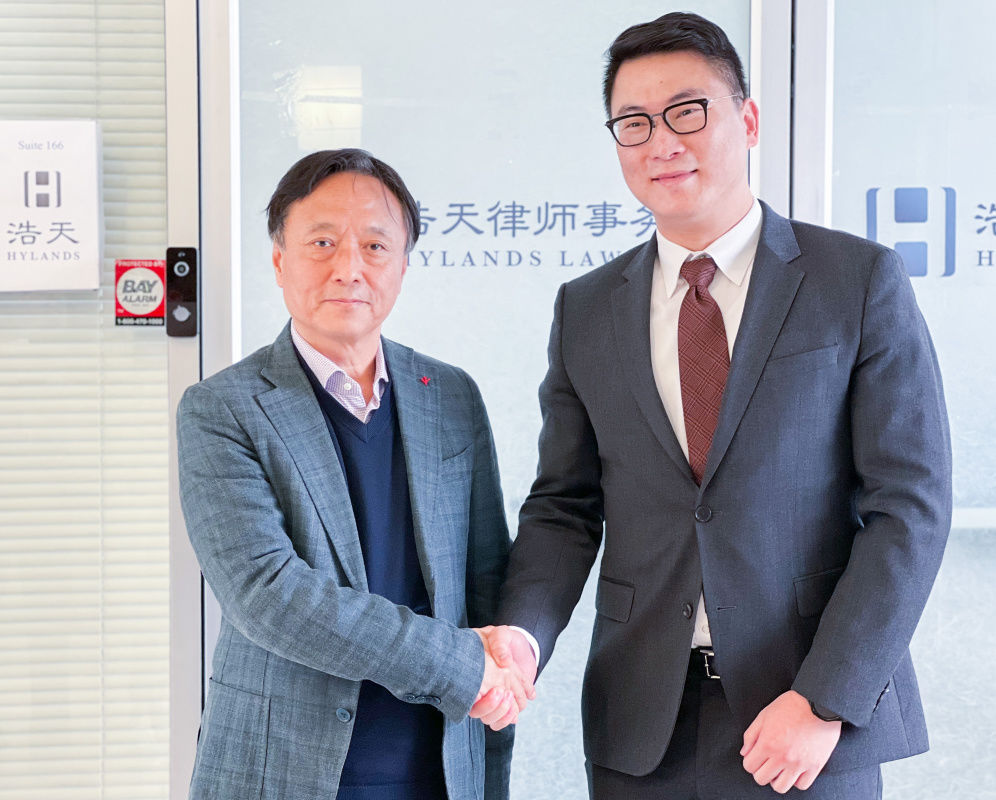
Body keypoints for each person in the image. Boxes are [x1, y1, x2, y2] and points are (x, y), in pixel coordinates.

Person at [475, 12, 951, 799]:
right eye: (634, 122)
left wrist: (825, 697)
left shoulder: (856, 282)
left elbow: (912, 505)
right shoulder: (586, 309)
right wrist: (525, 633)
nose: (661, 142)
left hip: (805, 721)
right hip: (641, 726)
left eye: (687, 112)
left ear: (748, 120)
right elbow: (565, 505)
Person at [177, 149, 532, 800]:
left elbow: (486, 575)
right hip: (284, 769)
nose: (349, 268)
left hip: (439, 766)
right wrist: (459, 666)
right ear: (279, 260)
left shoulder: (451, 396)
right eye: (322, 242)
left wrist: (503, 670)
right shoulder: (221, 409)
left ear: (402, 266)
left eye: (375, 245)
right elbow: (268, 595)